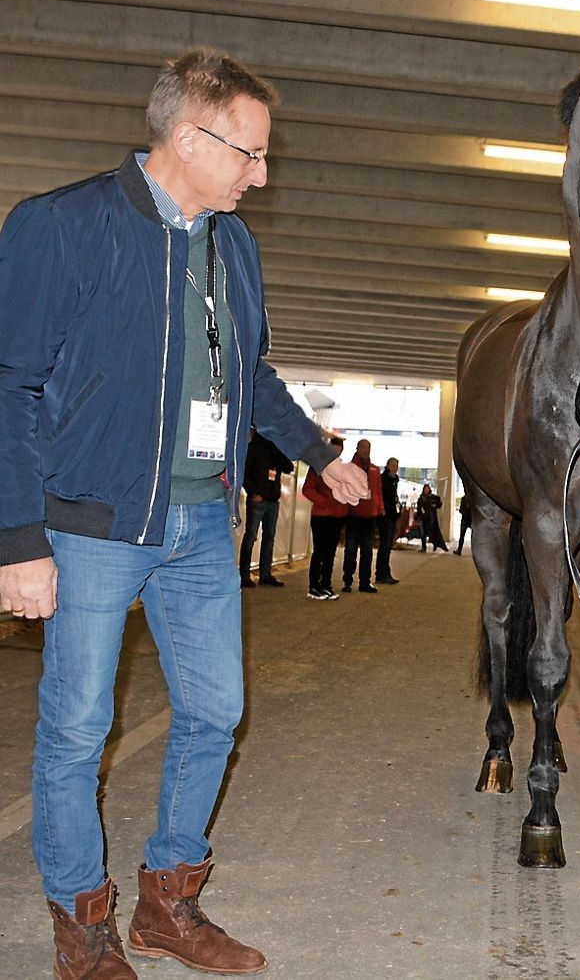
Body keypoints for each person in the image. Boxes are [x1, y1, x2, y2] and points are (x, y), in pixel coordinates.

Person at [0, 48, 369, 980]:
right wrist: (17, 540)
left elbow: (249, 379)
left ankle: (169, 902)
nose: (262, 171)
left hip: (203, 523)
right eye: (249, 152)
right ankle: (82, 929)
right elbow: (8, 384)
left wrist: (319, 452)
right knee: (78, 728)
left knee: (216, 710)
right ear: (187, 136)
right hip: (91, 524)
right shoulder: (62, 226)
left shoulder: (232, 244)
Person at [238, 429, 294, 586]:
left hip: (272, 500)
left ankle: (265, 574)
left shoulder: (274, 449)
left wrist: (278, 450)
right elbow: (244, 473)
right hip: (258, 499)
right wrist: (253, 492)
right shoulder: (253, 448)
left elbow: (288, 466)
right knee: (251, 536)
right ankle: (244, 575)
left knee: (269, 538)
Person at [302, 436, 349, 600]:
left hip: (336, 516)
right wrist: (325, 502)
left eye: (338, 452)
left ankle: (326, 585)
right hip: (321, 516)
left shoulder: (342, 470)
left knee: (330, 552)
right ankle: (314, 586)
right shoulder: (317, 467)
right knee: (320, 551)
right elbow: (307, 489)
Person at [342, 439, 384, 593]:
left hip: (370, 516)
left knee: (367, 550)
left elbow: (378, 491)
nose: (366, 450)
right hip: (354, 514)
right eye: (364, 447)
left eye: (369, 447)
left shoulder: (375, 469)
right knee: (351, 549)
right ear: (357, 448)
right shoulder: (349, 468)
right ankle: (347, 580)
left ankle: (365, 582)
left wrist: (380, 510)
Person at [375, 457, 401, 585]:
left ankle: (385, 572)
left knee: (388, 546)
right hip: (385, 516)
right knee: (384, 546)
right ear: (388, 466)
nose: (395, 467)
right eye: (393, 465)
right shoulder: (384, 479)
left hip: (392, 516)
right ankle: (381, 574)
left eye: (396, 465)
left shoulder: (394, 480)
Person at [416, 483, 448, 553]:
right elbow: (418, 508)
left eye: (427, 489)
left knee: (432, 533)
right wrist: (418, 518)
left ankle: (435, 544)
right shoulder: (421, 499)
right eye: (425, 489)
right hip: (423, 518)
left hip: (431, 518)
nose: (426, 490)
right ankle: (423, 547)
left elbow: (439, 504)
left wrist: (435, 505)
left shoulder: (433, 497)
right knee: (423, 534)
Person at [453, 490, 472, 555]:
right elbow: (460, 510)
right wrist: (465, 511)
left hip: (472, 519)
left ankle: (475, 550)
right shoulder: (463, 499)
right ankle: (459, 549)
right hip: (464, 519)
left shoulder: (474, 500)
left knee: (474, 536)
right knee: (462, 535)